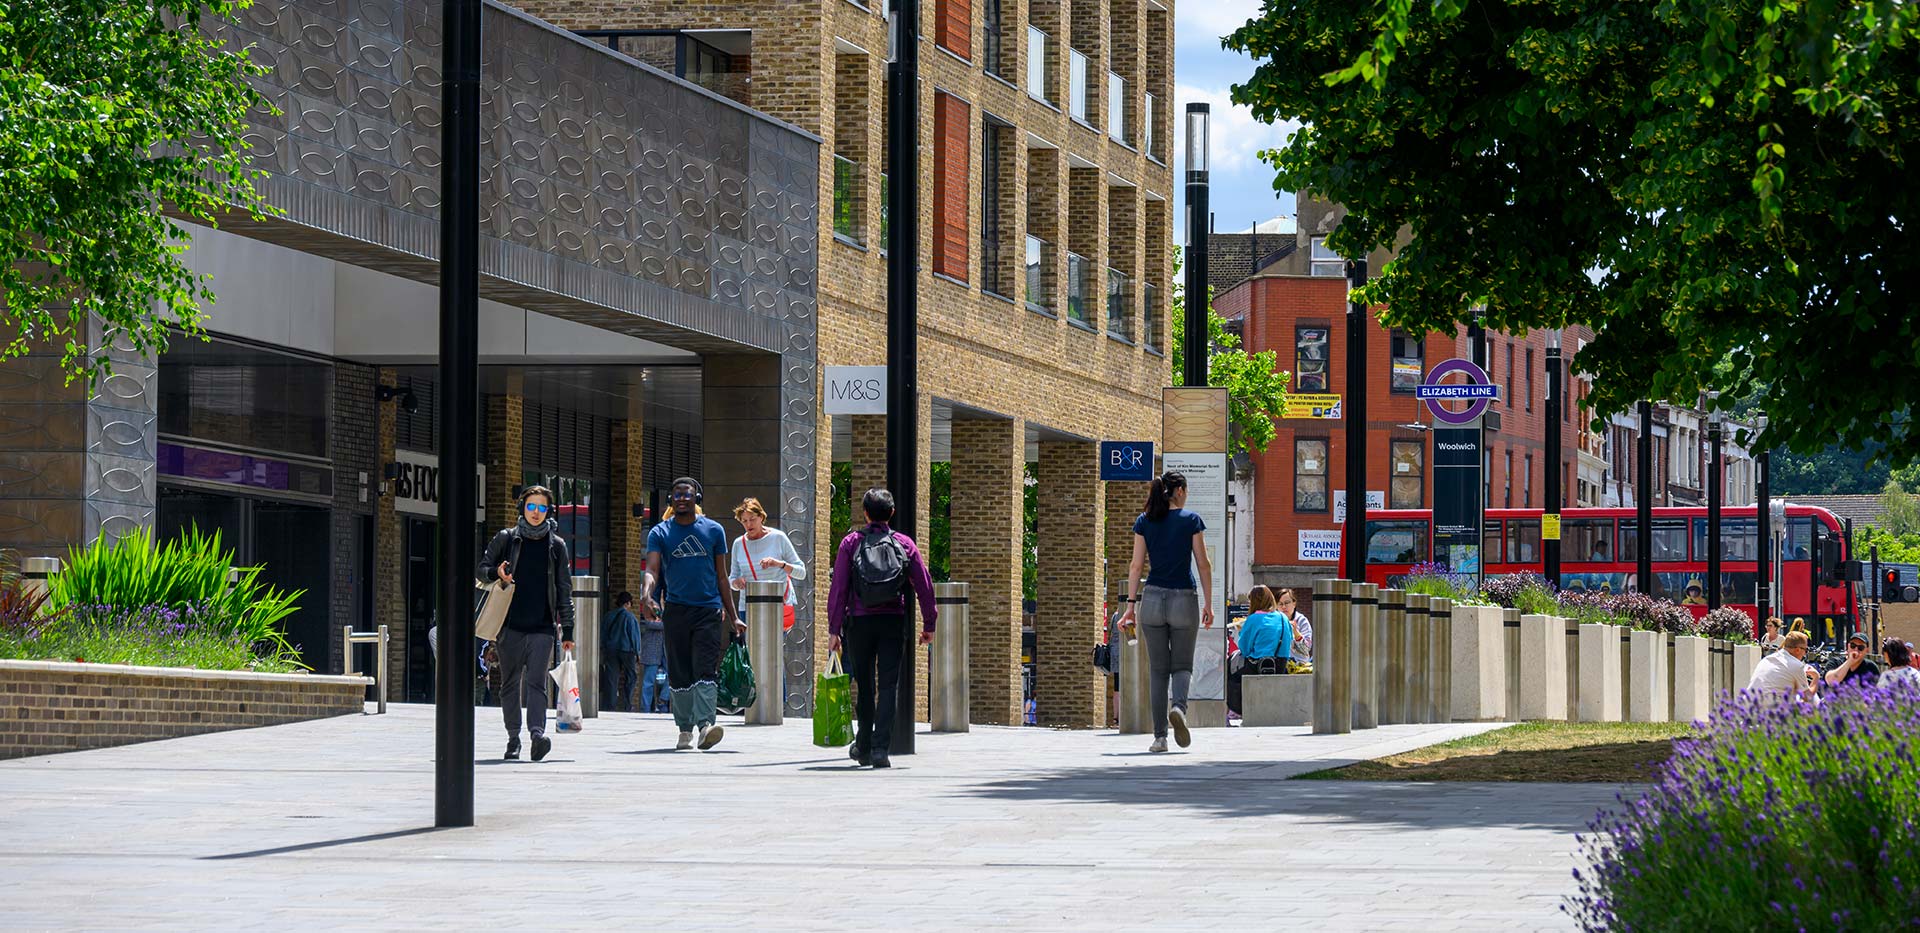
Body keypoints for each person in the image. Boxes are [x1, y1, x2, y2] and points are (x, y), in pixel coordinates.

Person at [827, 488, 937, 769]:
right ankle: (879, 750)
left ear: (865, 512)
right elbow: (924, 585)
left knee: (864, 685)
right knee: (888, 686)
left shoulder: (851, 542)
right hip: (892, 620)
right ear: (891, 513)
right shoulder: (904, 543)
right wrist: (929, 623)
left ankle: (862, 746)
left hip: (859, 623)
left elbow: (839, 588)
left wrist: (834, 629)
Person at [477, 485, 577, 762]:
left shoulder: (556, 546)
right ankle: (513, 739)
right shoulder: (506, 539)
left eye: (541, 508)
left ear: (549, 511)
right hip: (509, 625)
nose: (535, 513)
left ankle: (536, 735)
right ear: (522, 507)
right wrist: (497, 573)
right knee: (509, 684)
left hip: (542, 627)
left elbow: (563, 589)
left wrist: (567, 629)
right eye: (531, 506)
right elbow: (481, 571)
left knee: (536, 683)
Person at [642, 477, 742, 751]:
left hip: (708, 611)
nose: (682, 499)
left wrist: (733, 615)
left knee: (705, 669)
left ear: (697, 498)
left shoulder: (714, 531)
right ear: (670, 500)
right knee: (679, 671)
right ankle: (684, 728)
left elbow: (722, 576)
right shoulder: (660, 533)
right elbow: (652, 569)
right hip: (675, 609)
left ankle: (705, 726)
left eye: (687, 494)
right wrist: (647, 593)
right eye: (677, 495)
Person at [1118, 471, 1215, 754]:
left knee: (1158, 671)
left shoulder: (1144, 521)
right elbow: (1204, 564)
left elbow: (1136, 567)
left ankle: (1159, 738)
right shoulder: (1191, 520)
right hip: (1184, 598)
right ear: (1180, 491)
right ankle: (1179, 709)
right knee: (1182, 665)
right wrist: (1208, 603)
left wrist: (1130, 608)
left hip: (1152, 600)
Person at [727, 497, 806, 626]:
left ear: (761, 517)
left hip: (776, 605)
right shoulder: (738, 544)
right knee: (751, 646)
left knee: (774, 645)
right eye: (744, 521)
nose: (748, 524)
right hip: (748, 607)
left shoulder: (778, 538)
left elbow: (801, 573)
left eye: (752, 519)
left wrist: (779, 564)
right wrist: (736, 583)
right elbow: (732, 579)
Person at [600, 591, 642, 713]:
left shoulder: (608, 616)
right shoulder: (630, 618)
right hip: (627, 650)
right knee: (631, 677)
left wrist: (604, 647)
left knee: (611, 678)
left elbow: (603, 634)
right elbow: (634, 637)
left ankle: (610, 706)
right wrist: (638, 652)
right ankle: (627, 703)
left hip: (611, 650)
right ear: (628, 603)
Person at [1236, 585, 1294, 673]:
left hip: (1258, 666)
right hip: (1280, 666)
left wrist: (1241, 631)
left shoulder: (1253, 619)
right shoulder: (1283, 618)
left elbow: (1244, 649)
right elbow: (1289, 640)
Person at [1746, 630, 1814, 700]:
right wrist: (1816, 678)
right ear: (1797, 650)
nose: (1805, 654)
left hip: (1747, 705)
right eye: (1806, 650)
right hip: (1770, 708)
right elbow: (1808, 698)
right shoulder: (1796, 665)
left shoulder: (1766, 659)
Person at [639, 593, 667, 714]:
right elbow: (651, 624)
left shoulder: (666, 609)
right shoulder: (649, 607)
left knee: (673, 677)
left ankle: (663, 699)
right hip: (652, 651)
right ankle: (645, 708)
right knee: (648, 682)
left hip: (665, 651)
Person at [1281, 588, 1313, 666]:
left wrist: (1296, 633)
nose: (1284, 607)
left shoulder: (1302, 620)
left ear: (1294, 604)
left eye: (1287, 603)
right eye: (1280, 604)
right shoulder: (1274, 621)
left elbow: (1306, 649)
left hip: (1299, 665)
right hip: (1280, 665)